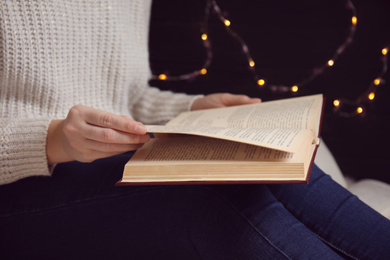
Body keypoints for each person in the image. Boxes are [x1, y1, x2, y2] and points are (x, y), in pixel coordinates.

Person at [0, 1, 389, 259]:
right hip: (18, 191)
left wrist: (188, 109)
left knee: (274, 160)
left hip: (105, 162)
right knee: (212, 202)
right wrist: (50, 139)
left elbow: (127, 92)